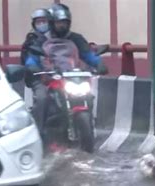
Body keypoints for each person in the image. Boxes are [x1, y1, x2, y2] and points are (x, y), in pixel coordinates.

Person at [24, 4, 108, 146]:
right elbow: (32, 58)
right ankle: (37, 136)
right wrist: (32, 66)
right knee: (43, 98)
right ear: (52, 23)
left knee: (88, 95)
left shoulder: (76, 38)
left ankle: (89, 126)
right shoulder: (41, 40)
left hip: (72, 78)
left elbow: (88, 54)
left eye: (64, 23)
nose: (62, 26)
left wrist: (99, 64)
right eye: (59, 23)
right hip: (46, 77)